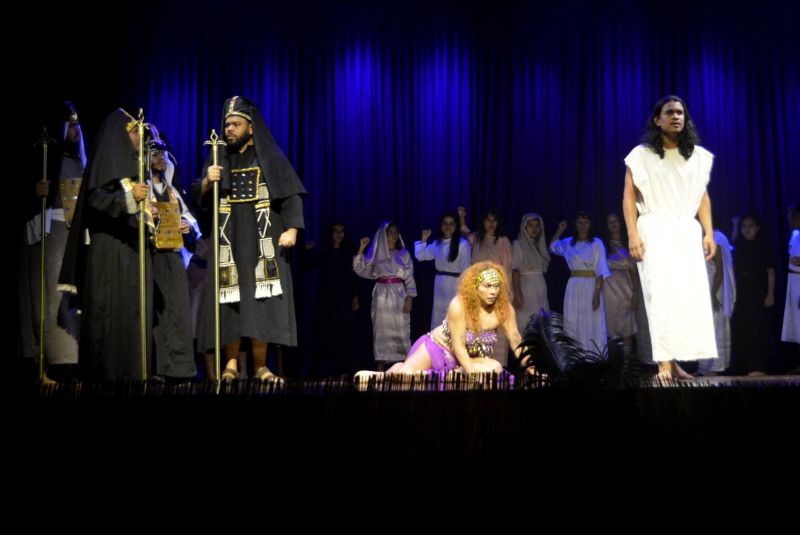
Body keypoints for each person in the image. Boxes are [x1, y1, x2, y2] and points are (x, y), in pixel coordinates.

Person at [192, 96, 306, 381]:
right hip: (229, 241)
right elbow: (197, 194)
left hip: (261, 241)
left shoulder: (268, 156)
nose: (229, 129)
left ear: (251, 127)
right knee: (230, 304)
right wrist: (208, 181)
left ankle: (260, 366)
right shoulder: (219, 157)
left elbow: (291, 194)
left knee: (260, 306)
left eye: (235, 124)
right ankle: (230, 364)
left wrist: (292, 229)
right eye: (227, 124)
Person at [622, 95, 717, 380]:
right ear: (657, 119)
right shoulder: (641, 154)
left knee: (683, 299)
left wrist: (709, 232)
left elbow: (702, 197)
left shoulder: (696, 156)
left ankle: (673, 362)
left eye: (680, 113)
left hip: (686, 231)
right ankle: (663, 364)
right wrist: (632, 233)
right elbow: (628, 196)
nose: (676, 117)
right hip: (654, 228)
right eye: (670, 112)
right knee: (659, 296)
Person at [59, 108, 153, 381]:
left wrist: (150, 213)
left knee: (133, 314)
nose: (139, 137)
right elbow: (96, 200)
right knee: (110, 313)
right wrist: (130, 199)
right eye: (135, 132)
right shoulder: (106, 167)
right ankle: (108, 376)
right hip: (109, 253)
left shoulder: (134, 168)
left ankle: (134, 373)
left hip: (133, 252)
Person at [19, 101, 85, 382]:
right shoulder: (44, 157)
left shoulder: (78, 162)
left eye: (77, 125)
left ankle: (71, 365)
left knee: (69, 301)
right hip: (48, 232)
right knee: (45, 299)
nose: (74, 130)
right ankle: (46, 368)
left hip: (72, 235)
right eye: (70, 125)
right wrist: (35, 190)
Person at [370, 261, 524, 376]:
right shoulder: (459, 305)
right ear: (475, 287)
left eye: (496, 286)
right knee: (406, 377)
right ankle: (387, 374)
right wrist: (472, 376)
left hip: (465, 361)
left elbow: (517, 341)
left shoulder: (505, 310)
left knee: (495, 368)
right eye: (487, 286)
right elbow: (458, 346)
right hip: (438, 349)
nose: (493, 291)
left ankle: (450, 375)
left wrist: (534, 369)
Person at [146, 128, 198, 380]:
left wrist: (186, 226)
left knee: (177, 311)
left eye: (163, 153)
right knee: (156, 313)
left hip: (174, 257)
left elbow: (189, 219)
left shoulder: (173, 191)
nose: (160, 157)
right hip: (152, 256)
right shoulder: (142, 189)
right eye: (154, 153)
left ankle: (180, 370)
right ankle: (156, 368)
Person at [353, 221, 417, 370]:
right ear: (384, 234)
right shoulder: (376, 254)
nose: (394, 235)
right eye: (391, 232)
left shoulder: (403, 254)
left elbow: (409, 277)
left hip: (399, 294)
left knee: (401, 329)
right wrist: (362, 247)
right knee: (381, 329)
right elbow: (360, 269)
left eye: (396, 232)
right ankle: (380, 368)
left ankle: (404, 367)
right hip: (382, 294)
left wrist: (409, 298)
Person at [549, 212, 611, 353]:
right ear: (575, 224)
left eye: (586, 222)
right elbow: (552, 247)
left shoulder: (596, 243)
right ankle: (574, 355)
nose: (583, 225)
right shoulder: (569, 243)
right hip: (574, 287)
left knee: (592, 320)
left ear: (590, 224)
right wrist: (560, 230)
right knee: (574, 320)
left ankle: (593, 355)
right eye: (579, 222)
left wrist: (596, 295)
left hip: (590, 286)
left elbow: (601, 270)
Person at [414, 212, 471, 329]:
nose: (448, 226)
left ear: (455, 227)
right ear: (441, 226)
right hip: (440, 285)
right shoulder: (437, 243)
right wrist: (424, 239)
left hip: (456, 285)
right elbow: (421, 256)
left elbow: (466, 269)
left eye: (451, 223)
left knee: (455, 315)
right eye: (445, 223)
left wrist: (464, 291)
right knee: (439, 317)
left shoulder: (463, 244)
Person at [511, 212, 551, 335]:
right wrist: (517, 293)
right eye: (530, 225)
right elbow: (515, 269)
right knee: (526, 324)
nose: (534, 229)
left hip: (540, 288)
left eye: (537, 226)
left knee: (541, 326)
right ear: (524, 227)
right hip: (526, 288)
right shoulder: (518, 244)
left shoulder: (538, 245)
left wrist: (559, 231)